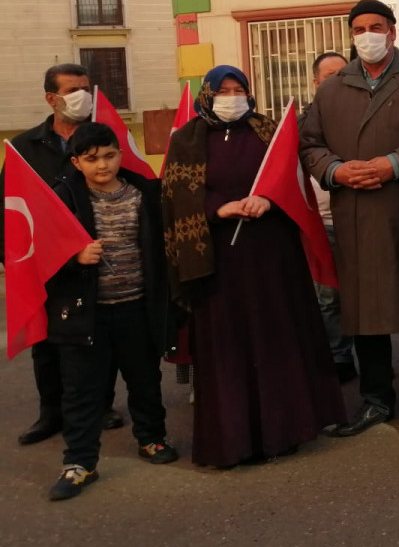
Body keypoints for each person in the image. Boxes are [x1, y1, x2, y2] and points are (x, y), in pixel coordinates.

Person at [163, 65, 344, 467]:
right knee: (228, 345)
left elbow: (292, 179)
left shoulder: (268, 132)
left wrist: (270, 198)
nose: (232, 97)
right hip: (216, 260)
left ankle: (285, 431)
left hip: (271, 254)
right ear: (207, 95)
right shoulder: (187, 139)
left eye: (239, 89)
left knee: (276, 336)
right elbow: (176, 196)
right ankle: (233, 440)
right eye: (223, 91)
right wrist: (218, 208)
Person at [300, 0, 399, 437]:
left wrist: (392, 164)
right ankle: (376, 400)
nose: (368, 35)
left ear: (393, 32)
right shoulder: (332, 89)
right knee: (364, 311)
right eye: (359, 29)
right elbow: (309, 144)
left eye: (376, 27)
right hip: (355, 212)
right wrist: (335, 170)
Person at [42, 122, 179, 500]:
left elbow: (163, 246)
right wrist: (74, 257)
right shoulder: (63, 197)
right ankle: (79, 462)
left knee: (145, 380)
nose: (102, 165)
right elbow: (42, 251)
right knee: (82, 390)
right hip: (86, 313)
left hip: (136, 306)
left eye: (109, 155)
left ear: (120, 154)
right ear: (76, 162)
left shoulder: (142, 193)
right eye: (91, 159)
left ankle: (151, 438)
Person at [2, 63, 124, 447]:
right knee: (48, 342)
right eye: (73, 90)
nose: (82, 96)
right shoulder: (25, 147)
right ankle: (50, 413)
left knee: (95, 336)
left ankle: (101, 405)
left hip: (94, 255)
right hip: (46, 262)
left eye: (86, 87)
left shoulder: (102, 136)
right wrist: (12, 258)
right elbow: (9, 204)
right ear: (51, 98)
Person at [306, 51, 357, 384]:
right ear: (316, 82)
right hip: (321, 224)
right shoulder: (304, 123)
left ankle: (372, 360)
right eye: (329, 76)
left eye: (343, 74)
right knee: (328, 297)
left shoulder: (361, 115)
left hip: (359, 221)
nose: (337, 81)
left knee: (363, 296)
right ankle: (338, 357)